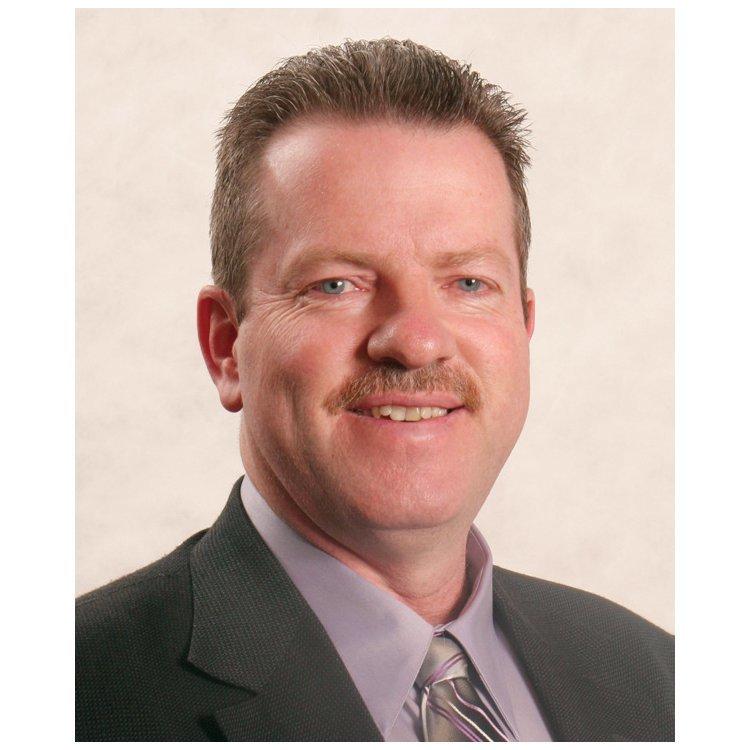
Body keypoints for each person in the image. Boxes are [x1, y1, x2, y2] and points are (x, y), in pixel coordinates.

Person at [75, 38, 674, 741]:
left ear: (524, 324)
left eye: (468, 283)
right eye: (336, 284)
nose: (416, 340)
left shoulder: (660, 682)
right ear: (226, 346)